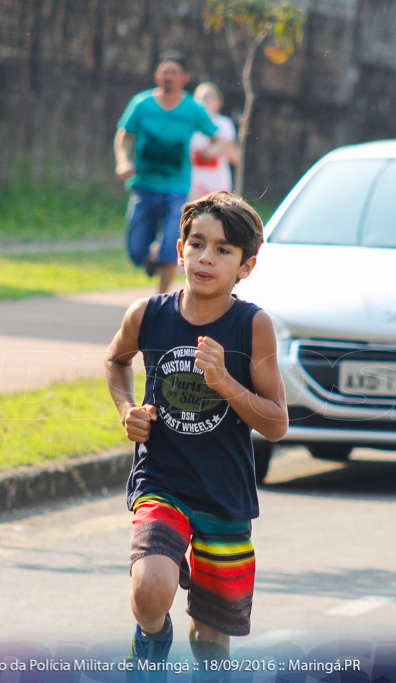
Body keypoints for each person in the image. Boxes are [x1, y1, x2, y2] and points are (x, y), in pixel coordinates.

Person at [104, 192, 287, 672]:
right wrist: (128, 410)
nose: (207, 257)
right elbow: (115, 360)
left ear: (246, 266)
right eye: (198, 243)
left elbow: (276, 422)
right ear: (180, 248)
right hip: (162, 482)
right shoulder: (149, 314)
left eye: (224, 250)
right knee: (150, 589)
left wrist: (225, 381)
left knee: (211, 643)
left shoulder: (253, 327)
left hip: (224, 496)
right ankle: (151, 638)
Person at [114, 51, 221, 295]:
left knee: (172, 247)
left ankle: (160, 297)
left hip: (176, 187)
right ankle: (150, 257)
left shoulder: (193, 109)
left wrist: (210, 150)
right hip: (144, 184)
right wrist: (123, 161)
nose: (168, 77)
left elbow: (216, 138)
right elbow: (124, 135)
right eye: (164, 72)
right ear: (156, 75)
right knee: (136, 250)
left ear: (185, 78)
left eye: (173, 72)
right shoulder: (142, 104)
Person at [189, 82, 239, 201]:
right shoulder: (190, 124)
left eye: (210, 97)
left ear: (219, 102)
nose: (206, 101)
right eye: (202, 97)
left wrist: (219, 148)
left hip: (219, 183)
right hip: (195, 182)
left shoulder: (224, 124)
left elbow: (235, 157)